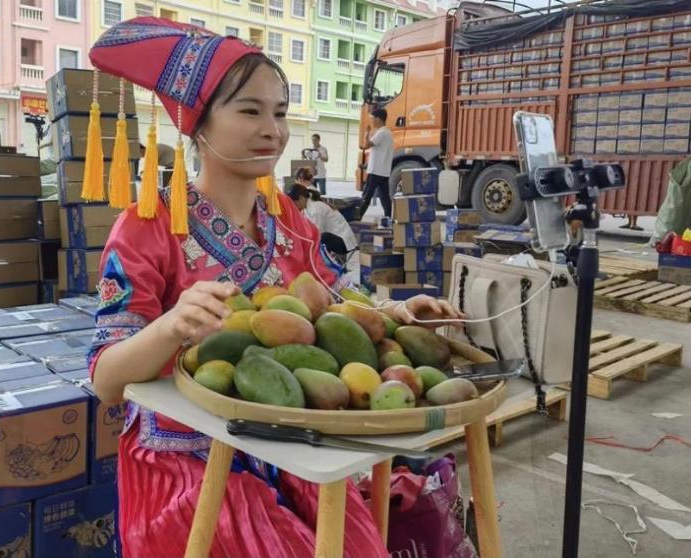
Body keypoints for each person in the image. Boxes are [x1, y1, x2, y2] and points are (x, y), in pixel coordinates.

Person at [86, 17, 461, 558]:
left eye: (280, 113)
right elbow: (105, 380)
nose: (274, 130)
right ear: (199, 123)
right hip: (189, 462)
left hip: (297, 446)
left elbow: (334, 309)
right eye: (249, 110)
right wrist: (172, 326)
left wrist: (393, 313)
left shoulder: (290, 223)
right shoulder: (146, 226)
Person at [359, 108, 393, 218]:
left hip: (375, 171)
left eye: (372, 118)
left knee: (366, 196)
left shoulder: (381, 132)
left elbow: (367, 145)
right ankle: (388, 218)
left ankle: (357, 217)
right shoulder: (388, 132)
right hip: (384, 171)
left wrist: (367, 133)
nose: (372, 121)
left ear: (378, 119)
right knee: (385, 198)